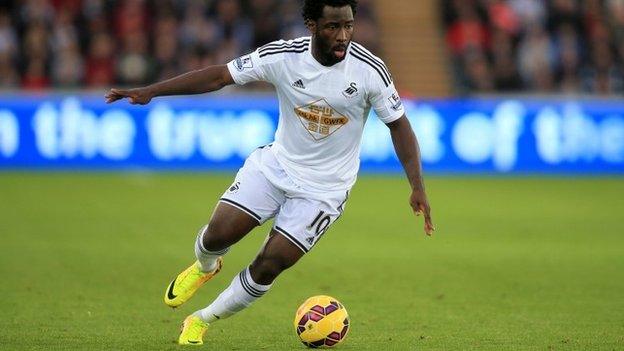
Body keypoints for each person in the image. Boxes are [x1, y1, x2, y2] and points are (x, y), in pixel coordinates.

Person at [105, 0, 434, 345]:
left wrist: (417, 187)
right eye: (332, 27)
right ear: (311, 24)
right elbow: (220, 76)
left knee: (270, 263)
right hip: (276, 167)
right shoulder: (283, 56)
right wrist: (151, 92)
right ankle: (206, 267)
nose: (343, 36)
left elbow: (399, 126)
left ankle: (200, 320)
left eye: (348, 26)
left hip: (325, 190)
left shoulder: (370, 71)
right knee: (217, 236)